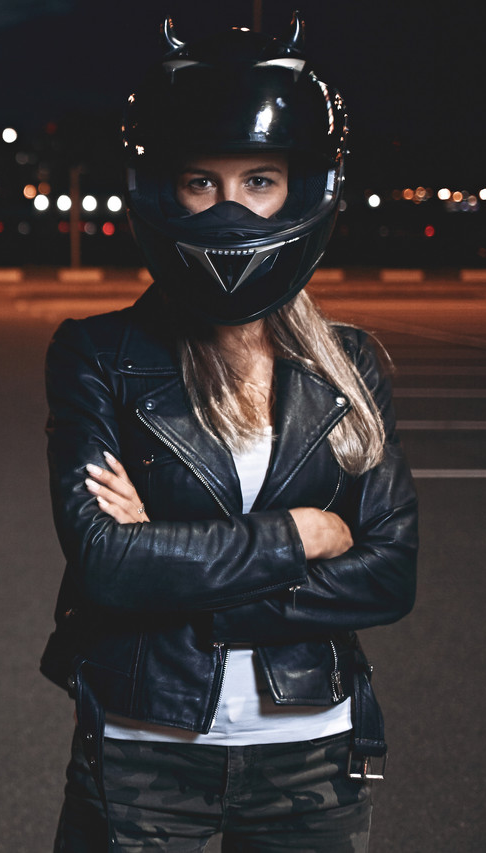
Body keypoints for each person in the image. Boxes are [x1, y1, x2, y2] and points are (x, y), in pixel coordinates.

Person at [40, 14, 418, 852]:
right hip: (143, 752)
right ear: (160, 188)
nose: (228, 206)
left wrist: (176, 572)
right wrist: (301, 533)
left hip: (312, 756)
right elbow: (104, 562)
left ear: (302, 187)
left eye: (258, 180)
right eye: (199, 183)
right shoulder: (97, 354)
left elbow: (388, 577)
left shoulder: (348, 363)